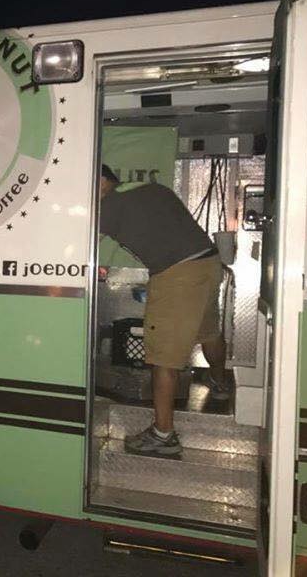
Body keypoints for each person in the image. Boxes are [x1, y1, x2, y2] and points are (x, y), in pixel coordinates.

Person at [98, 164, 228, 458]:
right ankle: (220, 384)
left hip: (177, 275)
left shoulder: (111, 204)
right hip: (208, 264)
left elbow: (76, 236)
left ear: (102, 181)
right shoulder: (153, 189)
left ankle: (163, 435)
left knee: (162, 358)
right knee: (209, 331)